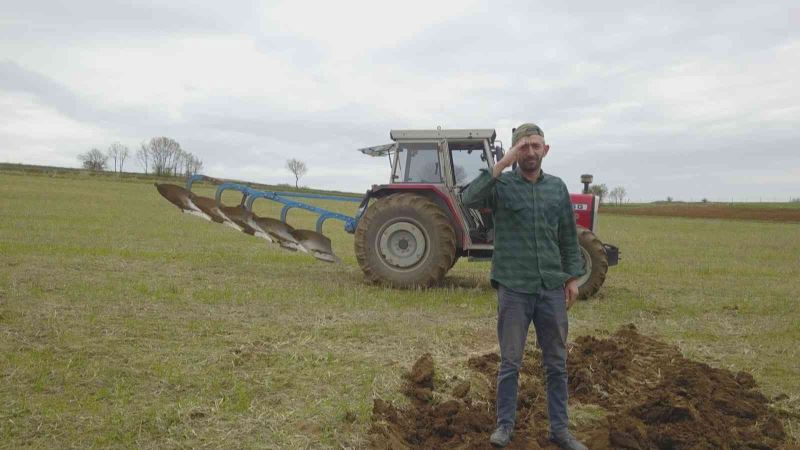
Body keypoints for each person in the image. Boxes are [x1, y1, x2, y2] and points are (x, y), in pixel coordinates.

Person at [461, 123, 587, 450]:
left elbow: (567, 238)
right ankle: (504, 426)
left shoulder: (557, 188)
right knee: (510, 362)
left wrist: (572, 277)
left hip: (550, 289)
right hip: (514, 287)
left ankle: (560, 430)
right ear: (516, 151)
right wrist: (501, 165)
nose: (529, 152)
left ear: (546, 150)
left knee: (556, 363)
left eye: (535, 146)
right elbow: (469, 198)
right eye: (523, 146)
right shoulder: (501, 186)